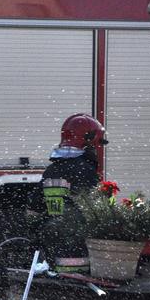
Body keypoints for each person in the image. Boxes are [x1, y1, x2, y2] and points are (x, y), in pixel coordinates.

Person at [37, 113, 107, 271]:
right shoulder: (85, 170)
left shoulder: (52, 169)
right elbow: (95, 207)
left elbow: (35, 202)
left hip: (54, 239)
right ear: (88, 140)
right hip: (76, 241)